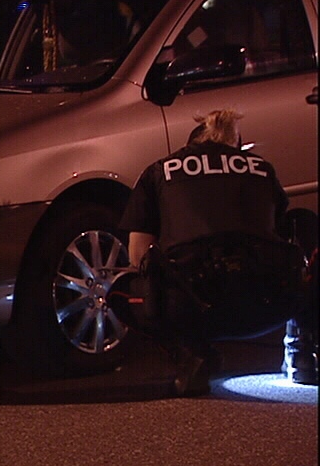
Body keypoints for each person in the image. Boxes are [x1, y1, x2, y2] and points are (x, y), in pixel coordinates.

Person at [117, 109, 316, 396]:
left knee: (120, 291)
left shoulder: (159, 171)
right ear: (235, 146)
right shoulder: (261, 168)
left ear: (189, 147)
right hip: (267, 305)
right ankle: (303, 355)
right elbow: (282, 237)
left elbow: (138, 256)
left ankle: (190, 355)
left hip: (192, 308)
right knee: (305, 224)